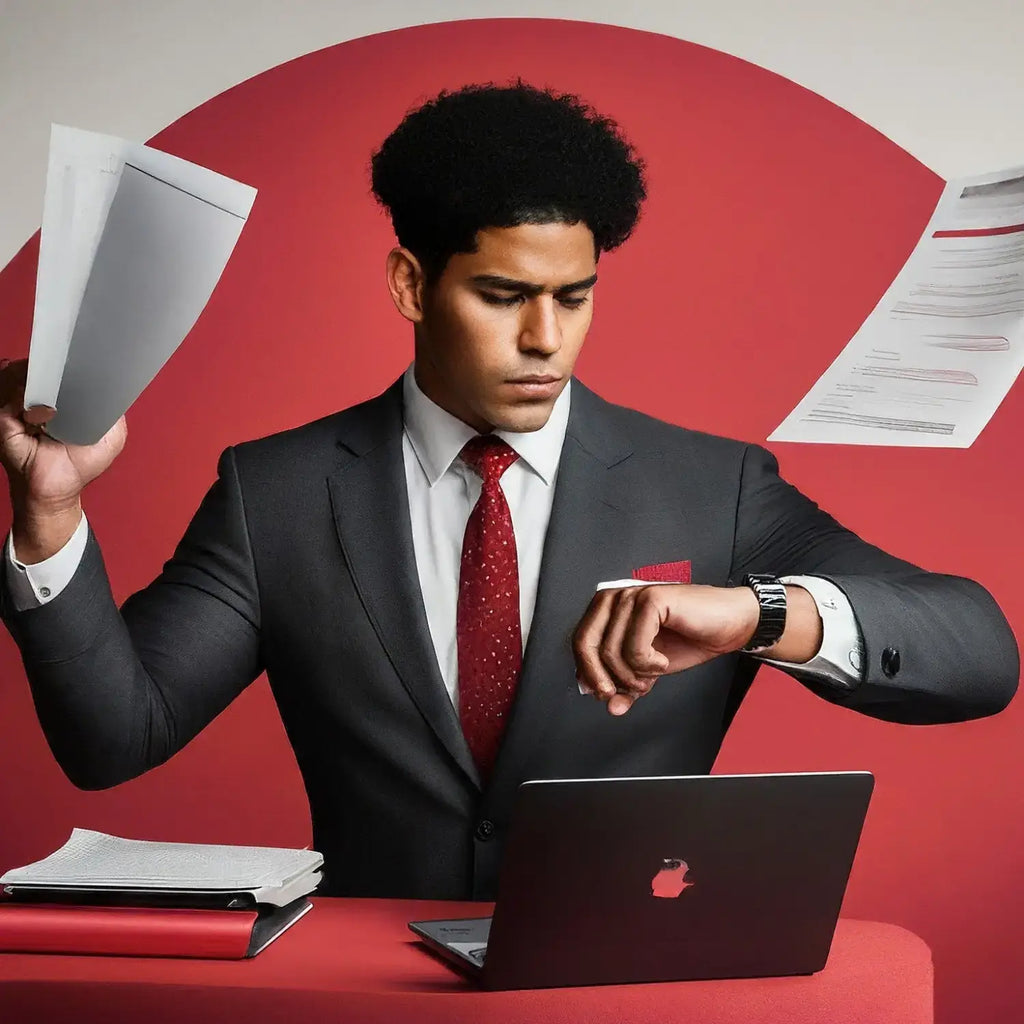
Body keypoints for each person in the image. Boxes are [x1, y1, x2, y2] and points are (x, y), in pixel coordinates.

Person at [0, 83, 1017, 899]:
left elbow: (975, 652)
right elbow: (113, 737)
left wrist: (758, 611)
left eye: (573, 298)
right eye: (502, 296)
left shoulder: (716, 486)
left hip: (627, 994)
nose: (546, 339)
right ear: (410, 285)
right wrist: (49, 514)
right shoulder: (276, 492)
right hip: (365, 999)